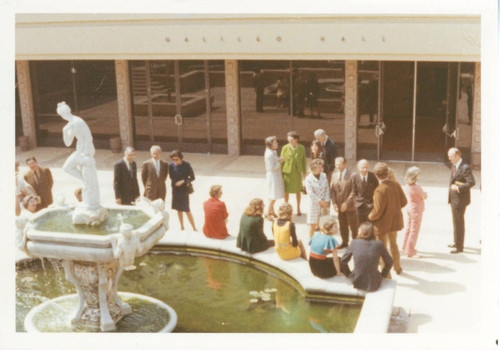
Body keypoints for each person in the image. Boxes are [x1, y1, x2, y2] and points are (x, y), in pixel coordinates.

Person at [368, 162, 407, 276]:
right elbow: (404, 201)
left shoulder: (380, 190)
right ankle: (397, 267)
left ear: (376, 175)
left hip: (382, 224)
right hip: (394, 221)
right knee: (394, 244)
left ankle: (386, 273)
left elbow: (377, 211)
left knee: (382, 249)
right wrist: (393, 209)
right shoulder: (396, 184)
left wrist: (370, 216)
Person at [340, 222, 393, 292]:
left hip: (357, 281)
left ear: (361, 232)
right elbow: (389, 262)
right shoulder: (379, 244)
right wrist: (383, 275)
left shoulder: (354, 243)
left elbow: (343, 261)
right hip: (374, 282)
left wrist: (348, 274)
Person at [447, 147, 475, 254]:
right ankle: (456, 241)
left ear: (458, 155)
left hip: (460, 200)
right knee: (455, 221)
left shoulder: (465, 167)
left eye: (451, 157)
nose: (450, 159)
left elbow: (471, 182)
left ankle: (459, 247)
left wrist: (459, 188)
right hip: (454, 199)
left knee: (459, 223)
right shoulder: (454, 165)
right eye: (449, 157)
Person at [330, 157, 358, 249]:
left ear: (345, 164)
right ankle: (345, 242)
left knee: (354, 227)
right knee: (342, 226)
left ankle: (355, 243)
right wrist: (334, 203)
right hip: (339, 207)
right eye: (336, 164)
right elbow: (332, 191)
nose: (338, 166)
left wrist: (346, 203)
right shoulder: (334, 175)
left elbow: (354, 191)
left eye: (340, 164)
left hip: (350, 207)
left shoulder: (352, 175)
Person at [402, 167, 427, 258]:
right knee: (414, 231)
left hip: (410, 208)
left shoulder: (408, 185)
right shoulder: (417, 187)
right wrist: (425, 194)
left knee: (409, 228)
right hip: (416, 209)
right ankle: (410, 251)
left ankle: (405, 246)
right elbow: (423, 196)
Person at [169, 150, 197, 231]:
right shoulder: (171, 165)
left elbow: (192, 177)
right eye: (173, 159)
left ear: (181, 159)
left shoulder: (186, 165)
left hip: (184, 190)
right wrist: (175, 183)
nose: (175, 161)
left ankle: (194, 227)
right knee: (179, 209)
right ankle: (182, 226)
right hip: (175, 189)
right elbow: (171, 176)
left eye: (177, 159)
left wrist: (183, 181)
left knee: (187, 209)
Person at [280, 131, 307, 216]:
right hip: (287, 172)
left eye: (291, 140)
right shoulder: (285, 147)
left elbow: (304, 160)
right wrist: (280, 173)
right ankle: (286, 208)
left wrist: (304, 173)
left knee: (298, 191)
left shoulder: (301, 148)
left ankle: (298, 208)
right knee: (286, 191)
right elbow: (281, 160)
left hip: (297, 172)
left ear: (296, 139)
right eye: (289, 140)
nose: (290, 141)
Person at [304, 159, 330, 238]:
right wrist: (320, 202)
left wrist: (326, 201)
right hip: (314, 203)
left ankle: (323, 239)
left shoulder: (324, 175)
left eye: (321, 167)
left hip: (324, 203)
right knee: (313, 224)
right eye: (318, 167)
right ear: (313, 169)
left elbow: (327, 189)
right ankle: (311, 240)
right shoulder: (308, 179)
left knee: (324, 223)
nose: (321, 169)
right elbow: (310, 193)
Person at [348, 159, 378, 227]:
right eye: (363, 167)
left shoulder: (372, 176)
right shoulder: (354, 176)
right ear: (358, 168)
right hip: (359, 205)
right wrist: (356, 201)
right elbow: (353, 191)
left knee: (370, 225)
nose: (365, 169)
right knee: (360, 225)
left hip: (370, 205)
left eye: (366, 167)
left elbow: (377, 189)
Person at [264, 136, 285, 218]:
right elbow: (271, 167)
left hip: (275, 174)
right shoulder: (269, 154)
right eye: (275, 142)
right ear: (271, 145)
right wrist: (280, 162)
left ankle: (271, 211)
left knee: (272, 195)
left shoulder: (273, 152)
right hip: (273, 176)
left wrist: (278, 160)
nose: (277, 144)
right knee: (273, 195)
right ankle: (268, 213)